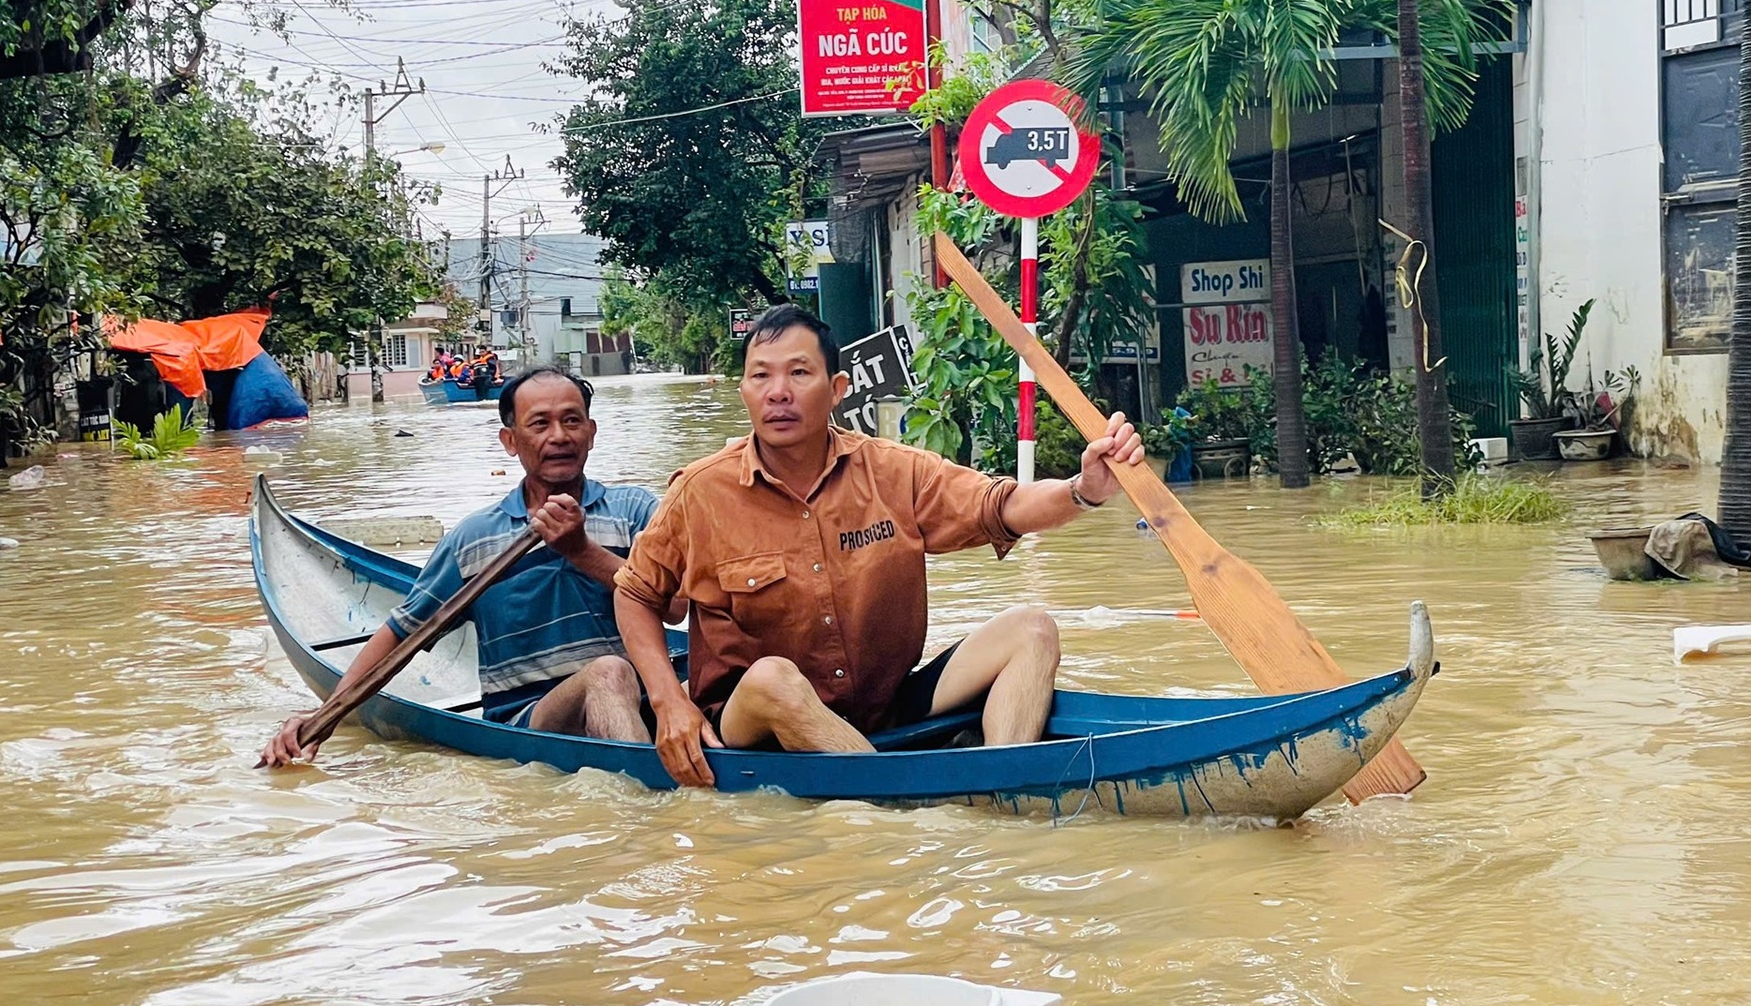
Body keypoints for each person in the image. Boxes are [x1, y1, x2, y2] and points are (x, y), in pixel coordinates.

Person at [613, 304, 1145, 788]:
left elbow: (1000, 506)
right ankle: (904, 806)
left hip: (882, 708)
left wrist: (1085, 491)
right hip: (752, 722)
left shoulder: (894, 470)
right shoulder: (702, 491)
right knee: (774, 678)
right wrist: (668, 701)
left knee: (1033, 627)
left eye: (799, 373)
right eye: (761, 376)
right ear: (745, 392)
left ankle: (999, 791)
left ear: (837, 387)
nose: (778, 391)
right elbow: (635, 594)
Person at [259, 367, 681, 766]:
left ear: (591, 433)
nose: (559, 436)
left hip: (646, 707)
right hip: (530, 721)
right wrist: (323, 716)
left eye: (572, 421)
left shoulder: (636, 513)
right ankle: (647, 811)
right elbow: (402, 636)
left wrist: (582, 551)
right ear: (510, 441)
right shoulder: (474, 540)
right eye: (539, 424)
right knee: (609, 673)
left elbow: (677, 608)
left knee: (628, 677)